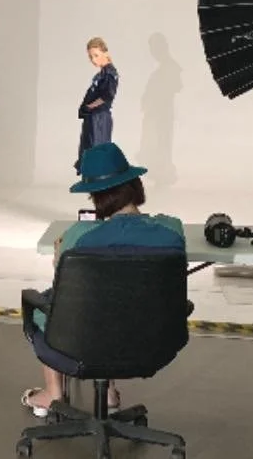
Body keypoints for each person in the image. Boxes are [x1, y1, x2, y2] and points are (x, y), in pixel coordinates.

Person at [21, 142, 185, 417]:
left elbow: (66, 285)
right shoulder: (172, 229)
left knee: (58, 304)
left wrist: (59, 257)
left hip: (84, 340)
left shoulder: (79, 235)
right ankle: (108, 393)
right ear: (135, 185)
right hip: (155, 342)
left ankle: (53, 394)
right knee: (123, 300)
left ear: (96, 197)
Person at [76, 37, 118, 174]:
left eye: (96, 55)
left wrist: (90, 107)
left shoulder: (109, 73)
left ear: (105, 53)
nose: (93, 60)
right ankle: (93, 183)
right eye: (90, 57)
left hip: (99, 118)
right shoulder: (101, 74)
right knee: (90, 152)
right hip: (93, 118)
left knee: (97, 151)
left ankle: (101, 183)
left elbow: (107, 96)